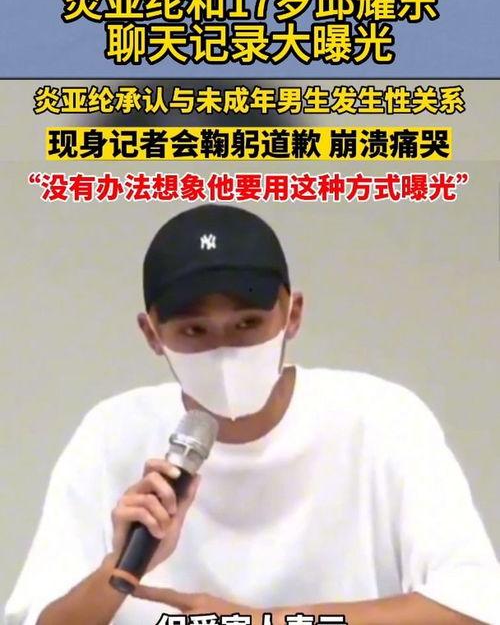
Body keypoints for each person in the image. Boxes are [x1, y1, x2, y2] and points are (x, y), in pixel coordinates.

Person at [5, 204, 500, 625]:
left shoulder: (381, 419)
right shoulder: (112, 433)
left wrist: (261, 621)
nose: (225, 352)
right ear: (151, 334)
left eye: (247, 324)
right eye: (194, 331)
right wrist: (117, 571)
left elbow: (475, 607)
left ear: (293, 314)